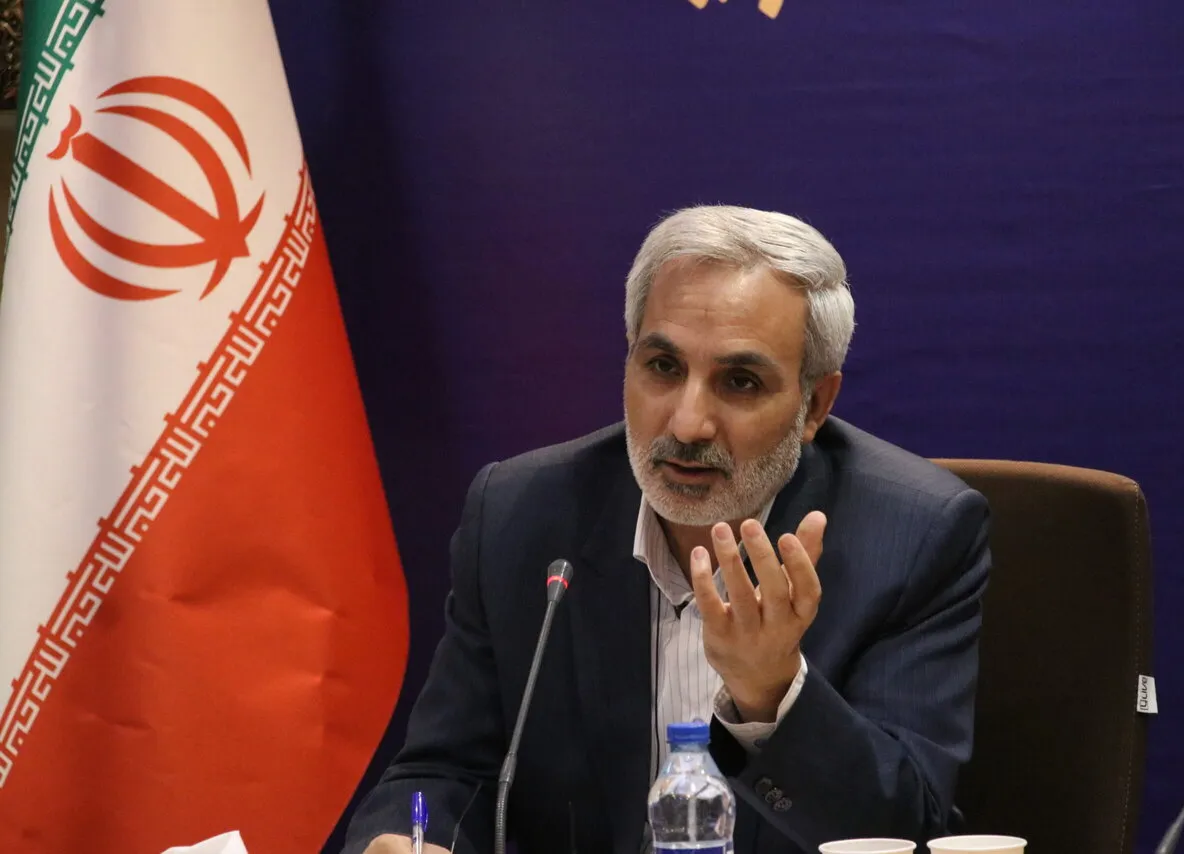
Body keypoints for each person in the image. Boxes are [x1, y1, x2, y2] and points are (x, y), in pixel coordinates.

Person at [342, 206, 991, 854]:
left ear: (814, 404)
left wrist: (771, 695)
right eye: (663, 367)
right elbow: (446, 773)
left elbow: (908, 832)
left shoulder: (912, 537)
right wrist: (407, 838)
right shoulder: (523, 516)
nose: (686, 424)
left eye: (740, 381)